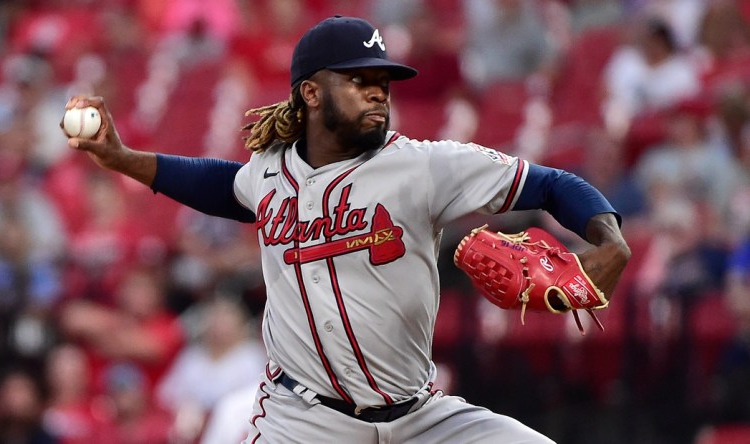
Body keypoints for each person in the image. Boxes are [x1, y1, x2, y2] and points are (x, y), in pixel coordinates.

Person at [62, 15, 630, 443]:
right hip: (303, 423)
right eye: (359, 79)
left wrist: (609, 238)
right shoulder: (269, 172)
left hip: (420, 418)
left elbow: (553, 184)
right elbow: (220, 184)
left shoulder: (423, 165)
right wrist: (123, 159)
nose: (378, 90)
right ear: (311, 92)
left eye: (383, 80)